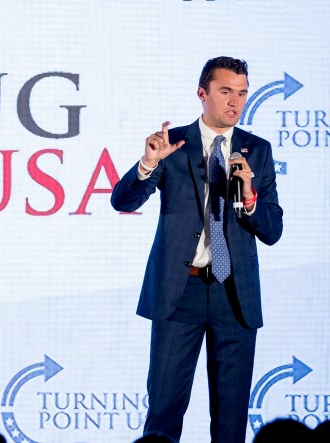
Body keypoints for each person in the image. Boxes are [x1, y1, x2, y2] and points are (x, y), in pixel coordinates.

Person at [111, 56, 283, 443]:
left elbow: (273, 231)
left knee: (231, 417)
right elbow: (122, 202)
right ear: (202, 94)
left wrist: (251, 197)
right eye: (225, 92)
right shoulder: (173, 146)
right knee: (164, 413)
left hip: (234, 295)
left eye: (241, 93)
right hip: (179, 292)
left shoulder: (258, 150)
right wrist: (146, 164)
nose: (235, 102)